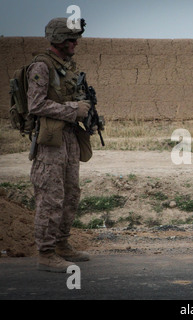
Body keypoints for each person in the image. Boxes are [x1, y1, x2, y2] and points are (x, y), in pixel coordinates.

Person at [28, 17, 91, 272]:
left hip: (69, 137)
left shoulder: (68, 66)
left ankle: (62, 244)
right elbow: (36, 104)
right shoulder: (41, 67)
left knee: (71, 193)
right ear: (57, 40)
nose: (75, 43)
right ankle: (46, 253)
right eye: (69, 39)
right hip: (50, 140)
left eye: (75, 38)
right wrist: (72, 109)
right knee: (50, 196)